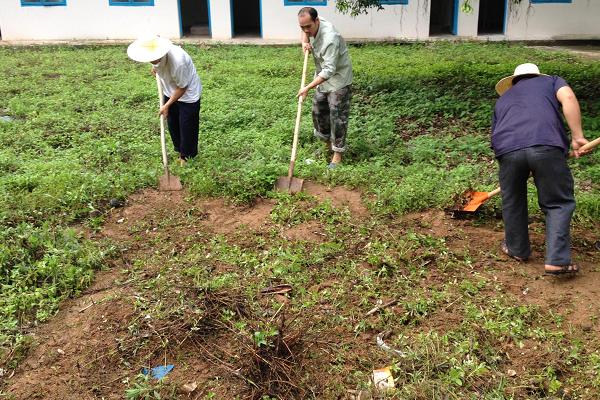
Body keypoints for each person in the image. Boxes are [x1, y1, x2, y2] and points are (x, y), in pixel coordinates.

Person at [492, 63, 589, 275]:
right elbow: (569, 98)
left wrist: (521, 162)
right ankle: (558, 260)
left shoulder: (503, 99)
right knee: (558, 202)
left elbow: (497, 133)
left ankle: (517, 249)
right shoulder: (551, 81)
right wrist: (577, 136)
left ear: (514, 81)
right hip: (546, 145)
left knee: (512, 199)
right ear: (536, 75)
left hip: (507, 150)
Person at [127, 35, 202, 164]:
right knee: (173, 123)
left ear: (160, 54)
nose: (150, 60)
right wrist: (155, 67)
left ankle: (186, 156)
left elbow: (182, 87)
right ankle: (180, 150)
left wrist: (166, 105)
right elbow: (158, 64)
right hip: (170, 89)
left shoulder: (178, 62)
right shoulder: (156, 55)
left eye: (152, 59)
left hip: (188, 93)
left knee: (187, 125)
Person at [296, 7, 353, 169]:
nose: (306, 30)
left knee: (337, 115)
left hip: (338, 79)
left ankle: (337, 155)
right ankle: (327, 147)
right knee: (319, 110)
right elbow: (304, 31)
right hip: (322, 76)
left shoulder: (330, 38)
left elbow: (329, 70)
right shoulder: (309, 22)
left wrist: (306, 87)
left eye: (309, 27)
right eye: (302, 27)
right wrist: (304, 41)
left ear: (317, 21)